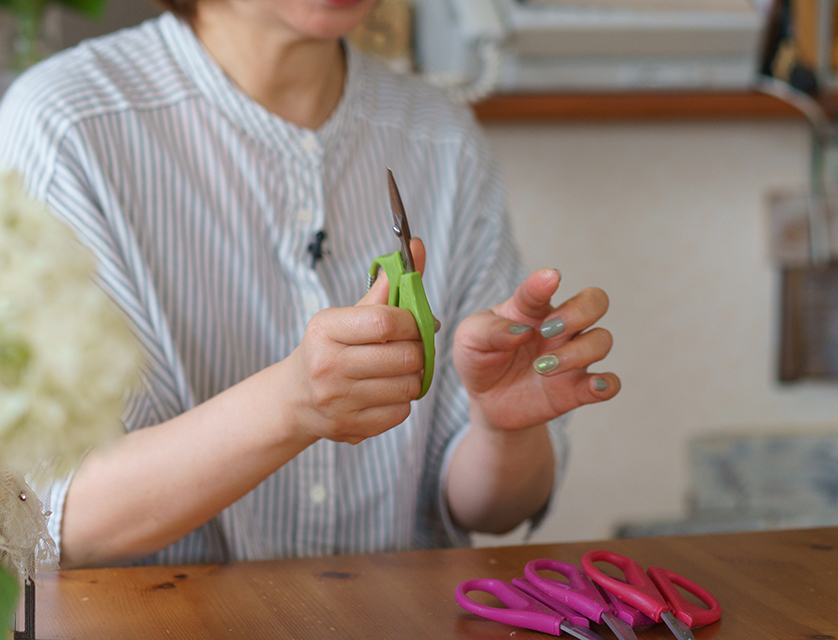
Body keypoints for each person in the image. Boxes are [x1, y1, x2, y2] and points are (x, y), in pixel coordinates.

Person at [0, 0, 619, 569]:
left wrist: (503, 428)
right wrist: (291, 404)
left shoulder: (444, 140)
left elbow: (492, 509)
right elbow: (48, 515)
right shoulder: (65, 126)